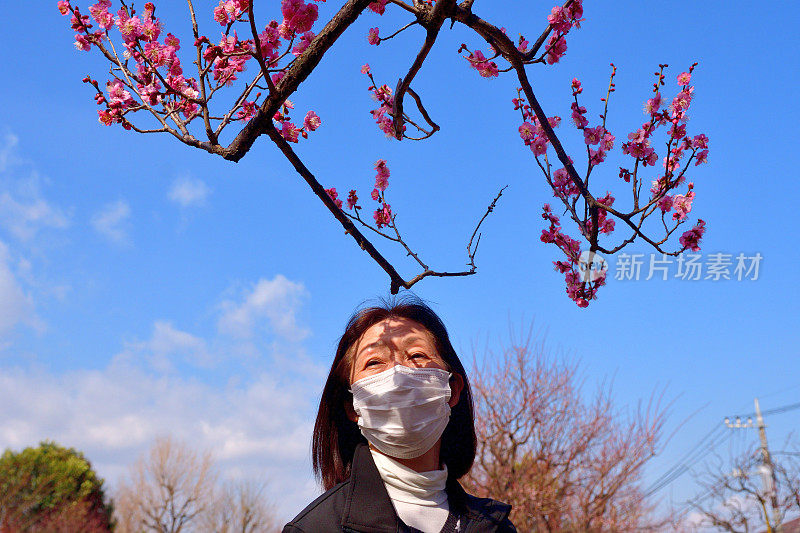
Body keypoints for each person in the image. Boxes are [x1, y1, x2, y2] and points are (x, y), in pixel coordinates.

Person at [282, 297, 516, 533]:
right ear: (351, 405)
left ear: (452, 389)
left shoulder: (495, 527)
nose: (397, 375)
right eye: (374, 362)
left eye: (416, 355)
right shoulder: (315, 528)